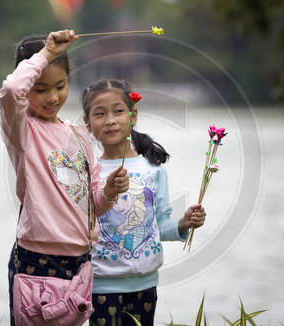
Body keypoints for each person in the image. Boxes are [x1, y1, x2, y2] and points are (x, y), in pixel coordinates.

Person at [0, 30, 130, 325]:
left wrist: (109, 190)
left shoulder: (79, 135)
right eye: (40, 88)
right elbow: (10, 90)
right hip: (36, 261)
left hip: (79, 265)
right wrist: (45, 54)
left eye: (60, 85)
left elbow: (93, 205)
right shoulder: (23, 131)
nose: (53, 97)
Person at [81, 79, 206, 326]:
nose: (110, 120)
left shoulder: (153, 169)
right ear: (87, 124)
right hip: (101, 284)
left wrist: (182, 224)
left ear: (133, 116)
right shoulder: (88, 171)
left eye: (118, 111)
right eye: (100, 114)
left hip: (146, 284)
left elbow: (160, 225)